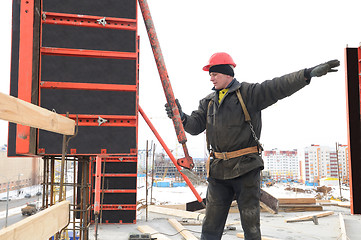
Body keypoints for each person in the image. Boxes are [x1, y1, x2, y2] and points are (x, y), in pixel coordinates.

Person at [165, 52, 340, 240]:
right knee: (210, 228)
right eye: (210, 74)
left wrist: (306, 74)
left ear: (227, 74)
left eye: (214, 73)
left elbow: (278, 86)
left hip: (246, 168)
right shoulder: (208, 102)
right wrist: (181, 117)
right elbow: (194, 126)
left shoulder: (249, 94)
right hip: (218, 172)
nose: (211, 77)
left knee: (251, 227)